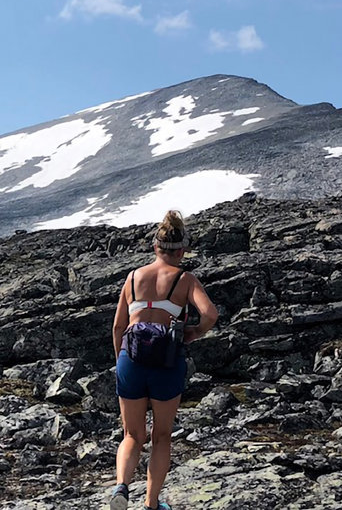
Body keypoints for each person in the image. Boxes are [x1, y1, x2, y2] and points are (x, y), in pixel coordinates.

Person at [109, 210, 219, 510]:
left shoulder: (132, 278)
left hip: (130, 360)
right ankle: (151, 503)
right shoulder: (185, 279)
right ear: (181, 250)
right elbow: (210, 314)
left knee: (132, 434)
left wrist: (122, 358)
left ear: (155, 247)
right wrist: (194, 332)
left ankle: (121, 487)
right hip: (167, 361)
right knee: (161, 436)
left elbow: (119, 327)